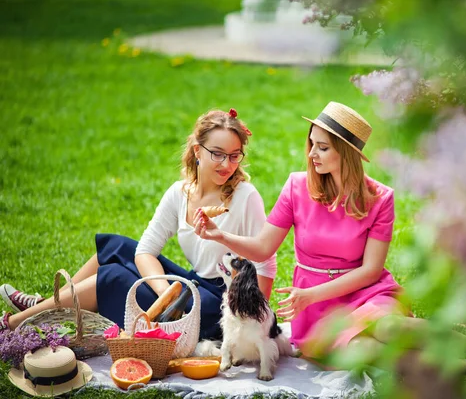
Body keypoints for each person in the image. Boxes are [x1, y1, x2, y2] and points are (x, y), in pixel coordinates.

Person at [0, 109, 276, 341]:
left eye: (234, 155)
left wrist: (253, 323)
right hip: (191, 286)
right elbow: (145, 250)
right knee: (114, 247)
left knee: (111, 277)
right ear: (197, 151)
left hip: (222, 303)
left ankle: (13, 324)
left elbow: (266, 262)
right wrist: (165, 293)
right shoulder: (180, 193)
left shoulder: (244, 196)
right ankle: (47, 305)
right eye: (217, 154)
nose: (226, 164)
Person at [194, 102, 420, 356]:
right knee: (359, 349)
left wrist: (309, 295)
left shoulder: (380, 198)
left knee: (389, 327)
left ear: (346, 153)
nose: (312, 154)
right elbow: (262, 248)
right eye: (312, 144)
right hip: (317, 309)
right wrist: (220, 235)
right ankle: (455, 370)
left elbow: (370, 271)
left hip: (365, 294)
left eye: (323, 148)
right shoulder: (296, 187)